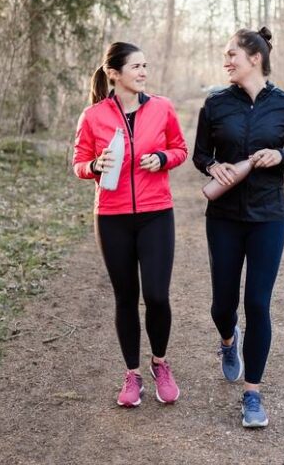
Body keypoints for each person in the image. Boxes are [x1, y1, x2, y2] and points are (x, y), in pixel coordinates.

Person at [193, 27, 284, 427]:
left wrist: (280, 156)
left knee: (258, 303)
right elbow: (200, 154)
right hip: (224, 217)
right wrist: (213, 166)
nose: (225, 61)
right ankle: (228, 341)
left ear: (254, 58)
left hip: (269, 217)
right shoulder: (215, 104)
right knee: (221, 305)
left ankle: (253, 394)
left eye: (231, 55)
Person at [73, 42, 188, 407]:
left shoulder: (163, 108)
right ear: (114, 73)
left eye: (145, 66)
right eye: (135, 66)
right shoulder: (92, 116)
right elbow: (79, 163)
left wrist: (162, 157)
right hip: (112, 217)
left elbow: (181, 149)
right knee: (125, 297)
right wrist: (94, 167)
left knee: (156, 295)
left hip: (156, 213)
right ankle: (132, 375)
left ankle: (160, 363)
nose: (142, 72)